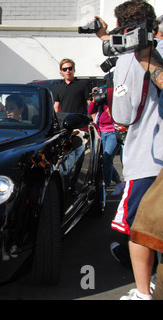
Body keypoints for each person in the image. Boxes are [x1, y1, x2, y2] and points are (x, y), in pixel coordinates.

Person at [95, 0, 163, 300]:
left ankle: (142, 290)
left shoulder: (127, 60)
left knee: (138, 229)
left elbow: (122, 115)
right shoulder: (157, 50)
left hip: (146, 158)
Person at [88, 87, 123, 190]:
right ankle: (118, 181)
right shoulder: (101, 104)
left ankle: (105, 186)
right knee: (104, 159)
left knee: (107, 158)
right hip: (102, 132)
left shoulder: (115, 100)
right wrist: (95, 99)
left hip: (113, 132)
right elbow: (90, 110)